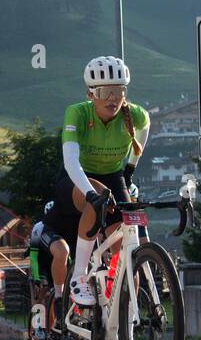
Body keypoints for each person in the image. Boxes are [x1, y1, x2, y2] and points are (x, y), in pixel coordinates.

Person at [51, 55, 150, 307]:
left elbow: (144, 129)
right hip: (76, 177)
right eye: (106, 91)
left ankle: (125, 319)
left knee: (125, 246)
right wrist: (90, 195)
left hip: (114, 177)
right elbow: (71, 161)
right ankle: (79, 276)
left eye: (119, 91)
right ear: (91, 94)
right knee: (99, 196)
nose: (113, 98)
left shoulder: (136, 115)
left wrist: (129, 169)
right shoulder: (77, 113)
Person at [28, 199, 71, 325]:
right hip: (41, 262)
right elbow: (34, 256)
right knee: (41, 293)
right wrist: (36, 277)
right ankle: (37, 327)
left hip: (56, 261)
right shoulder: (39, 227)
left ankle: (54, 324)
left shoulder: (64, 226)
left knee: (60, 292)